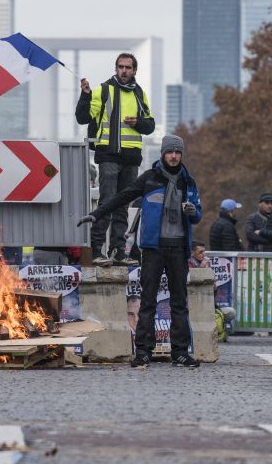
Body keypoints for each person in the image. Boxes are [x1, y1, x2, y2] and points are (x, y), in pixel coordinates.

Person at [77, 134, 202, 368]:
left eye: (177, 152)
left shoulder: (189, 182)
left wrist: (193, 211)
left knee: (179, 303)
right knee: (147, 302)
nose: (174, 156)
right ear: (163, 154)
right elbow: (122, 197)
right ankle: (143, 352)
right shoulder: (149, 179)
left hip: (178, 249)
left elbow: (198, 216)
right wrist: (96, 214)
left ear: (181, 155)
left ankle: (180, 353)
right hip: (153, 249)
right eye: (170, 152)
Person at [75, 53, 156, 265]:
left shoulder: (139, 93)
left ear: (135, 70)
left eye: (128, 67)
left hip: (131, 157)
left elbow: (150, 126)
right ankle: (97, 251)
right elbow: (83, 117)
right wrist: (85, 95)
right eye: (120, 67)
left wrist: (137, 122)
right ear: (116, 68)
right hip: (108, 155)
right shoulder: (103, 90)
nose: (124, 71)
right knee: (107, 202)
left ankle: (118, 251)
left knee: (123, 206)